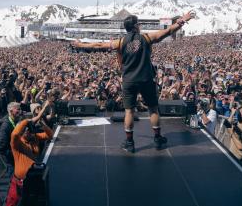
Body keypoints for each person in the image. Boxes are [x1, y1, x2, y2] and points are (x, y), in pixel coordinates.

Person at [72, 11, 195, 153]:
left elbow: (98, 45)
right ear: (136, 26)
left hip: (129, 80)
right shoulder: (147, 38)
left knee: (129, 111)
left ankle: (130, 143)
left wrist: (80, 44)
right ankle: (157, 138)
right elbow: (168, 31)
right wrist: (181, 21)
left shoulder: (120, 42)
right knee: (153, 109)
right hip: (146, 79)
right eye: (139, 24)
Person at [5, 116, 53, 206]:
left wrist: (43, 124)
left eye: (29, 129)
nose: (28, 131)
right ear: (21, 131)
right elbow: (14, 134)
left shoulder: (34, 138)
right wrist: (26, 121)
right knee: (12, 203)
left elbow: (50, 135)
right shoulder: (17, 143)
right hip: (20, 182)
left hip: (33, 180)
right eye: (25, 130)